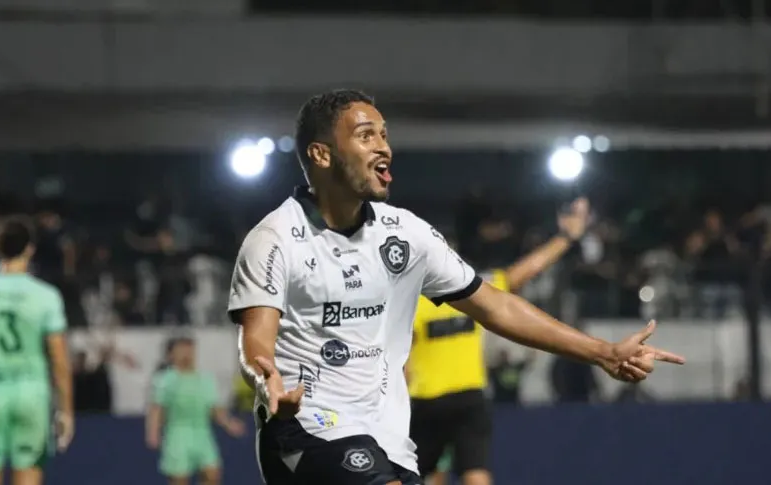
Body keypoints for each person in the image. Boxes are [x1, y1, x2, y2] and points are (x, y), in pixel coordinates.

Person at [228, 89, 685, 485]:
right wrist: (267, 380)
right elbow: (257, 341)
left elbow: (496, 306)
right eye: (366, 135)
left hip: (388, 441)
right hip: (305, 429)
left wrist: (603, 353)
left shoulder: (406, 235)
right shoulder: (275, 239)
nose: (384, 147)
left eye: (384, 134)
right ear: (322, 154)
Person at [408, 200, 590, 485]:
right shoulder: (471, 291)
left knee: (420, 477)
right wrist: (565, 238)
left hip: (427, 402)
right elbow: (525, 271)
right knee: (476, 475)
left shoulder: (412, 302)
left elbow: (402, 361)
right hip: (468, 398)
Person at [0, 216, 74, 485]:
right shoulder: (46, 295)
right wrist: (65, 409)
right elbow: (59, 359)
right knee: (29, 473)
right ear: (30, 248)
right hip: (32, 395)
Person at [146, 337, 246, 485]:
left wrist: (229, 424)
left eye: (189, 350)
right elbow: (156, 409)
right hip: (177, 435)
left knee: (212, 473)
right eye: (181, 350)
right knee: (179, 479)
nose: (186, 354)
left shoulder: (206, 379)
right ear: (172, 354)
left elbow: (215, 409)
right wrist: (152, 432)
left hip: (202, 434)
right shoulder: (165, 380)